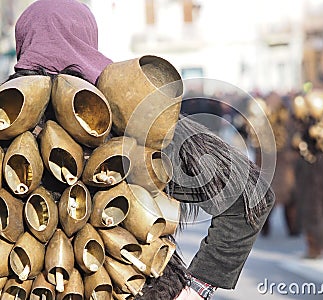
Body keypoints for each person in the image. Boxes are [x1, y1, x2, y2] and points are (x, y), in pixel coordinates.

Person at [10, 0, 275, 299]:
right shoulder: (137, 112)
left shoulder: (9, 113)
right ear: (88, 39)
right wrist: (198, 287)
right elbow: (250, 193)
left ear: (23, 42)